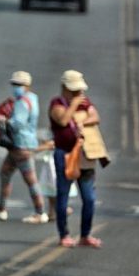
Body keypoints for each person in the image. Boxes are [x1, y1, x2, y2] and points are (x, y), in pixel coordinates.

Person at [49, 70, 102, 248]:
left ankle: (85, 235)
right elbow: (62, 121)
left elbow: (95, 116)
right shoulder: (57, 103)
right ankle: (64, 234)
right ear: (65, 89)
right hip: (64, 154)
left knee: (89, 198)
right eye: (74, 91)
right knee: (63, 196)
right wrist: (73, 105)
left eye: (79, 91)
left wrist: (82, 122)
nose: (78, 95)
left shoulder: (84, 103)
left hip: (84, 156)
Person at [0, 71, 48, 224]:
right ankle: (1, 208)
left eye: (18, 84)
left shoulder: (21, 102)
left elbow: (18, 123)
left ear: (27, 85)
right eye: (14, 84)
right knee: (5, 173)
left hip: (21, 145)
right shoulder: (32, 98)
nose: (15, 87)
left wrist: (1, 118)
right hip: (23, 144)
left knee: (30, 180)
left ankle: (40, 212)